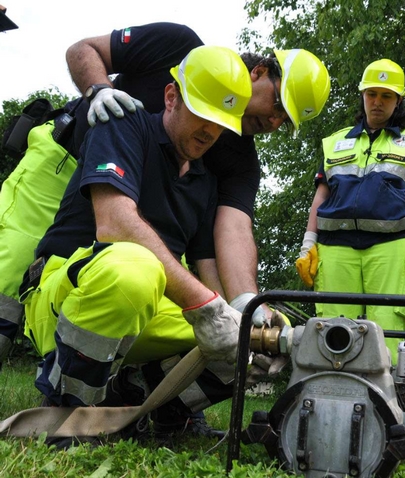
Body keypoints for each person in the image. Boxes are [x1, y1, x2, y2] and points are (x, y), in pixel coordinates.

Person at [0, 22, 331, 369]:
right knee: (9, 280)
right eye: (277, 104)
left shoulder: (240, 161)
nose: (274, 121)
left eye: (286, 121)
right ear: (259, 72)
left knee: (139, 278)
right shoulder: (178, 46)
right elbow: (83, 49)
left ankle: (124, 387)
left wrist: (245, 304)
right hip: (64, 164)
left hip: (128, 208)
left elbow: (232, 230)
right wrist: (98, 90)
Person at [19, 45, 253, 441]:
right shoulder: (123, 124)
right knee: (135, 269)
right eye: (202, 113)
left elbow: (207, 273)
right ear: (170, 97)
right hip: (64, 290)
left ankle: (158, 408)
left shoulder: (204, 182)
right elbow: (114, 224)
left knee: (253, 341)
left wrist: (240, 318)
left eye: (220, 121)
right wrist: (204, 305)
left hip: (142, 304)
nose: (210, 131)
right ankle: (70, 407)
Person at [295, 59, 405, 363]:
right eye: (372, 94)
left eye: (386, 96)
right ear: (362, 95)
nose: (377, 102)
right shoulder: (335, 143)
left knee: (386, 339)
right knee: (332, 335)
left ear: (398, 100)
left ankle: (387, 406)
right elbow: (321, 194)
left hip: (393, 248)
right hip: (335, 249)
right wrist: (309, 243)